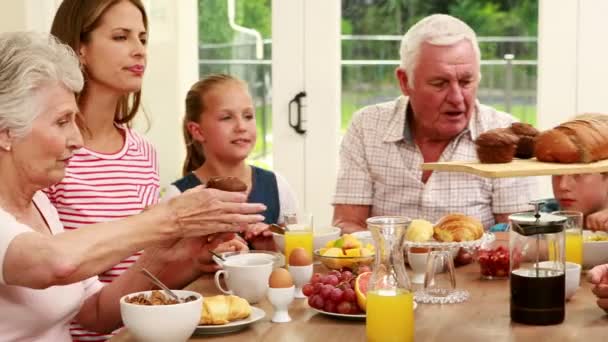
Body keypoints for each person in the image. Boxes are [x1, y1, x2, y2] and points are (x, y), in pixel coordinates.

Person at [0, 31, 265, 341]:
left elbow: (96, 312)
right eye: (62, 122)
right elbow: (53, 262)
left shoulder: (40, 204)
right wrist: (171, 219)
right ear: (6, 132)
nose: (77, 140)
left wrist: (178, 258)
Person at [332, 14, 534, 233]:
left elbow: (519, 236)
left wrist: (473, 251)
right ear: (404, 81)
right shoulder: (366, 126)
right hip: (387, 266)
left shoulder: (505, 138)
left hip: (475, 267)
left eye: (466, 82)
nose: (457, 97)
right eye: (440, 83)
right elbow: (347, 224)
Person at [164, 74, 298, 251]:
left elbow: (298, 255)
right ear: (197, 131)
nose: (241, 126)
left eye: (248, 116)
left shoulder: (278, 187)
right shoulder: (177, 197)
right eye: (227, 118)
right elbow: (161, 268)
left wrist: (272, 247)